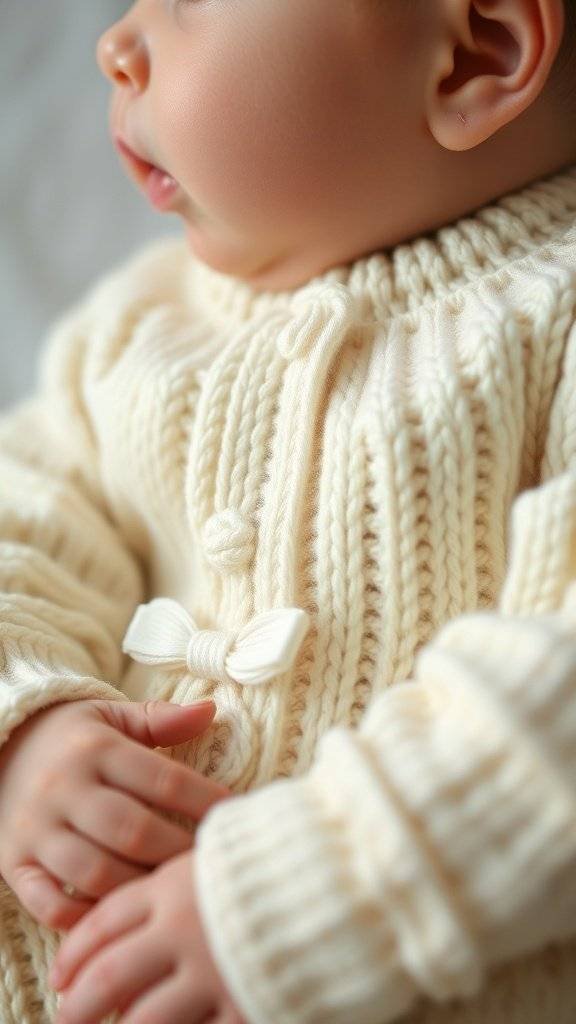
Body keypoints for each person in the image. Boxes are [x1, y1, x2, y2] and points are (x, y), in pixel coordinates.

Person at [1, 0, 576, 1021]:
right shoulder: (140, 323)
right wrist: (24, 730)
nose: (117, 44)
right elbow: (22, 519)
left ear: (472, 55)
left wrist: (329, 889)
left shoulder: (548, 326)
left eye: (185, 4)